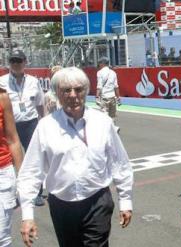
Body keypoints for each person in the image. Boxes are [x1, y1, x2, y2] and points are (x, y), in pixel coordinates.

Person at [17, 67, 133, 247]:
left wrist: (125, 200)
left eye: (78, 89)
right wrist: (27, 216)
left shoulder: (102, 122)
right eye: (66, 90)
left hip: (97, 201)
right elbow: (31, 171)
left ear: (86, 91)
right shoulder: (46, 126)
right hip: (61, 204)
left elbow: (119, 162)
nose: (73, 95)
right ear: (57, 93)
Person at [0, 50, 45, 206]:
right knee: (10, 161)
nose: (16, 64)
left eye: (19, 61)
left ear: (25, 62)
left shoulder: (33, 81)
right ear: (9, 63)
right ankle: (12, 193)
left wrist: (43, 123)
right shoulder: (2, 82)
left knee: (34, 159)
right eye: (13, 61)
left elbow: (40, 104)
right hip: (9, 126)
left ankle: (36, 192)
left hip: (30, 124)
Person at [0, 82, 24, 247]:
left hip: (2, 173)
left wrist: (22, 179)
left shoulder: (2, 97)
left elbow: (13, 140)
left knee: (1, 237)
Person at [96, 57, 120, 122]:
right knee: (112, 117)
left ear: (102, 64)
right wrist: (118, 97)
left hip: (104, 97)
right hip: (112, 97)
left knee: (104, 117)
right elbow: (116, 86)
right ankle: (113, 130)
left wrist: (97, 97)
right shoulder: (113, 72)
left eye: (99, 63)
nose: (99, 65)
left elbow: (99, 86)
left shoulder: (99, 72)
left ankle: (106, 130)